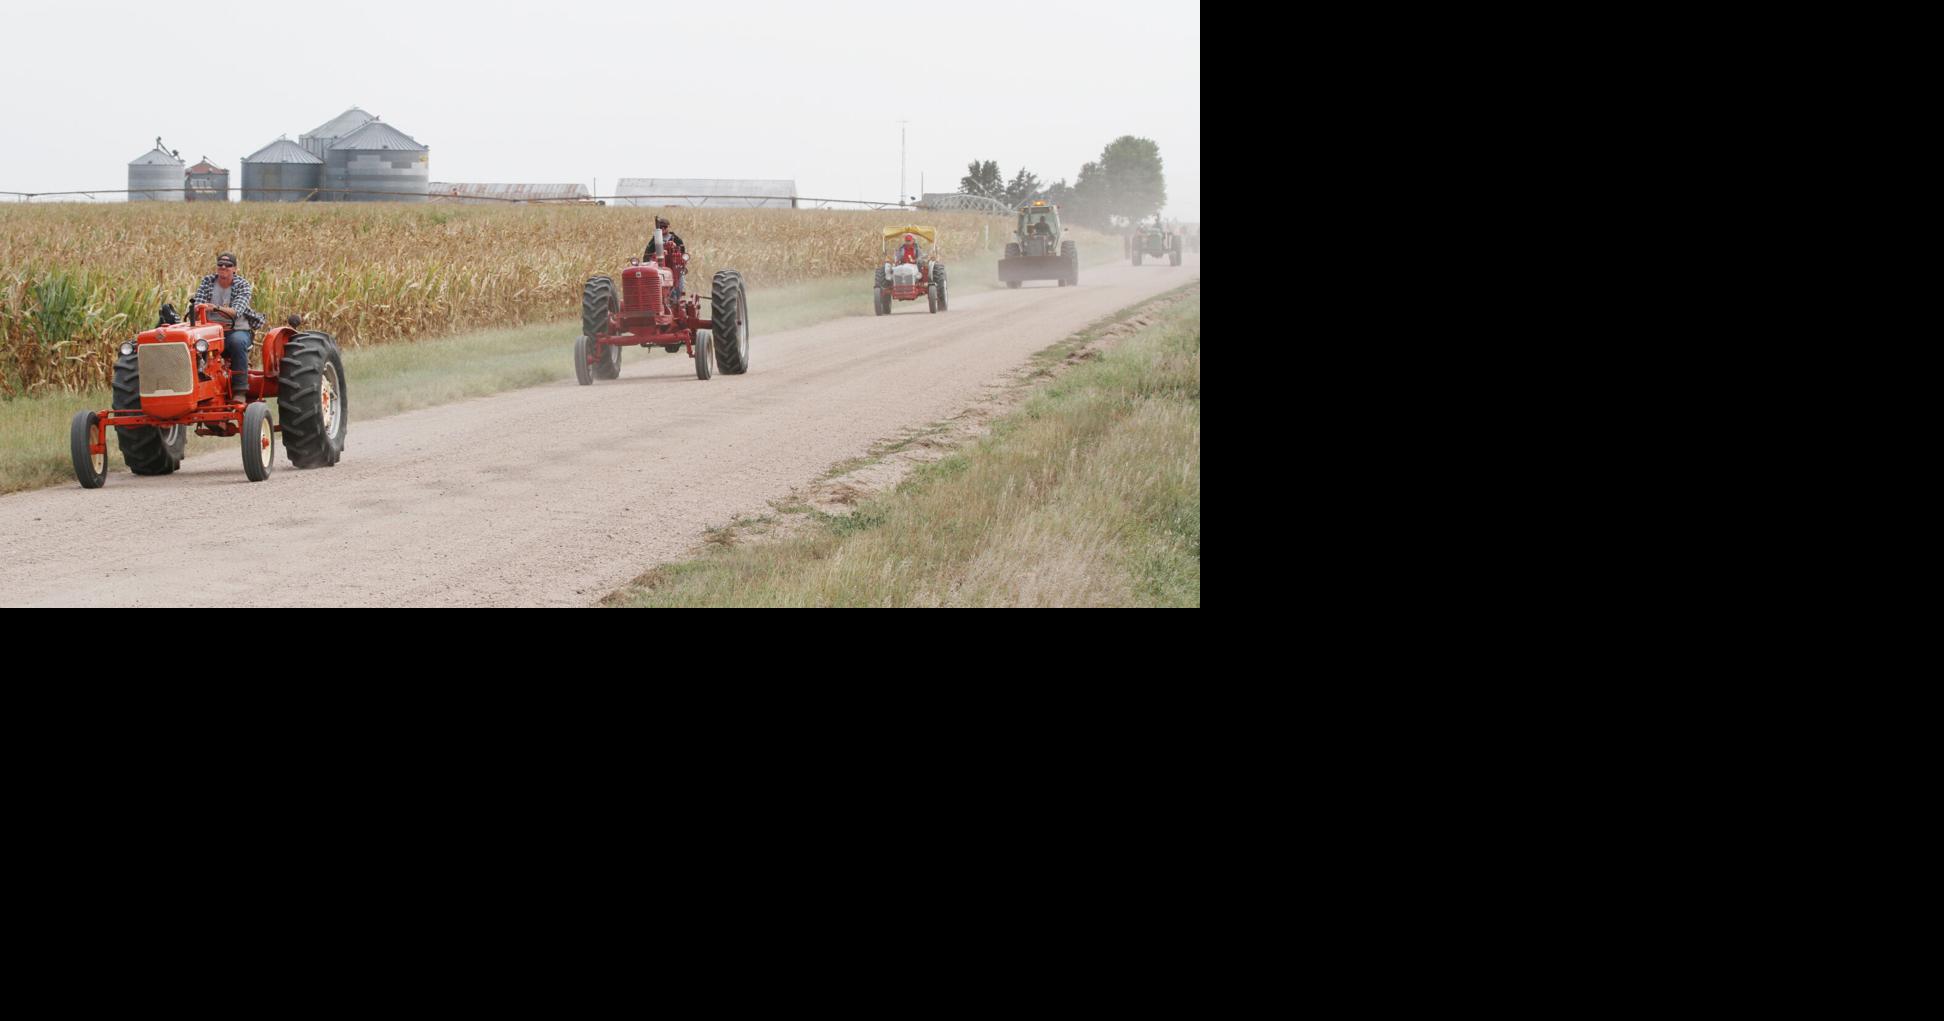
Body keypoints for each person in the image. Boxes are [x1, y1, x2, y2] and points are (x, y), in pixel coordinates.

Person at [189, 252, 265, 402]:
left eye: (228, 265)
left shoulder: (242, 285)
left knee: (237, 342)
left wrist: (214, 308)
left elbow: (236, 312)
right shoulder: (208, 281)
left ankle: (240, 389)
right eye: (220, 265)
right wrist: (198, 310)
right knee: (192, 346)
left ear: (235, 269)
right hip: (211, 331)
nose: (223, 268)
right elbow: (198, 305)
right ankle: (196, 386)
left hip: (236, 329)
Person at [643, 216, 688, 304]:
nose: (663, 229)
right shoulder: (653, 241)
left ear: (669, 227)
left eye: (665, 227)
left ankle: (676, 301)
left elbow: (682, 253)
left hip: (674, 266)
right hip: (658, 267)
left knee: (679, 281)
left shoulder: (676, 239)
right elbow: (647, 255)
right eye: (661, 227)